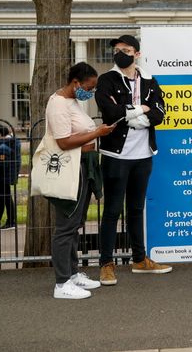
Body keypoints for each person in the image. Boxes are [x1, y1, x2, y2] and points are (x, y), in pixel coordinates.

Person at [95, 34, 170, 286]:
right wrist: (141, 109)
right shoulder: (107, 80)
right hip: (116, 156)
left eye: (126, 49)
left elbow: (160, 113)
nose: (120, 53)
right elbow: (110, 111)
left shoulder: (149, 81)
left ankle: (140, 259)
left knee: (136, 209)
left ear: (136, 53)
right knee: (112, 210)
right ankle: (106, 264)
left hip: (143, 155)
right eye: (117, 49)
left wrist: (130, 113)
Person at [45, 62, 115, 299]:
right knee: (66, 226)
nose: (92, 92)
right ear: (76, 83)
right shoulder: (57, 104)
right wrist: (97, 133)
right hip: (70, 169)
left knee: (75, 224)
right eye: (89, 87)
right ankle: (62, 283)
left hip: (83, 166)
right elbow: (64, 142)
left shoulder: (72, 101)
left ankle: (72, 274)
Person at [0, 123, 21, 230]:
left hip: (3, 176)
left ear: (1, 134)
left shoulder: (4, 146)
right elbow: (8, 157)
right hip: (9, 174)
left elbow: (2, 164)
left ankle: (10, 221)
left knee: (5, 198)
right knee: (3, 198)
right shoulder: (12, 142)